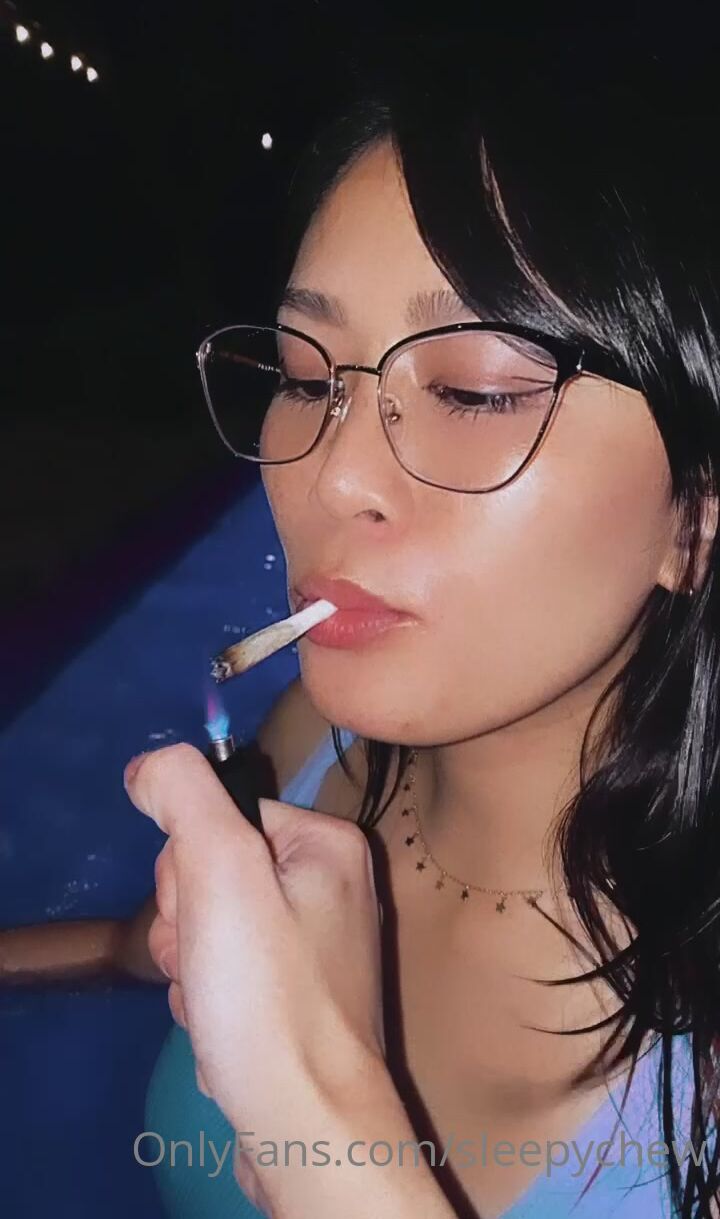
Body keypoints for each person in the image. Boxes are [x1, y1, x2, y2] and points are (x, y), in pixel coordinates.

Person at [6, 28, 720, 1218]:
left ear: (694, 519)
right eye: (304, 375)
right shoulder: (320, 742)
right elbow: (151, 944)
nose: (327, 474)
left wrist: (313, 1116)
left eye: (475, 391)